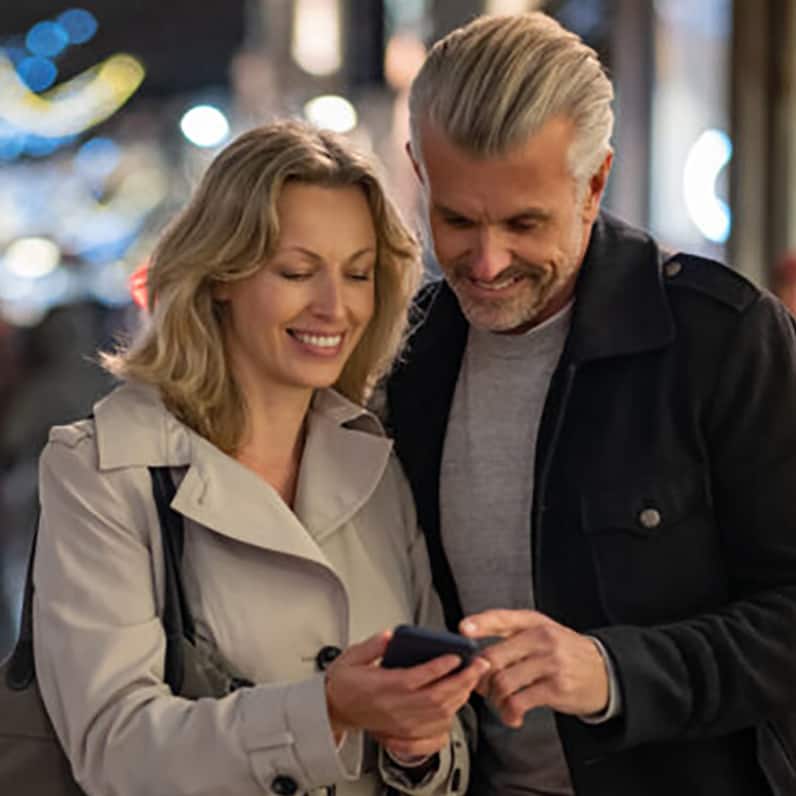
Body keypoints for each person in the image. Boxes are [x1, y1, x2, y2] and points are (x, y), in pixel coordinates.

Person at [384, 11, 796, 796]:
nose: (487, 260)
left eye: (524, 222)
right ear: (417, 173)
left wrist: (611, 672)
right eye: (457, 220)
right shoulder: (408, 354)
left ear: (595, 182)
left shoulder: (722, 340)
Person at [32, 120, 487, 796]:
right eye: (298, 272)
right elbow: (114, 750)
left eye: (358, 274)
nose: (335, 306)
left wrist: (419, 745)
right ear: (220, 275)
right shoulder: (103, 470)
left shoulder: (374, 458)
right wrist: (325, 710)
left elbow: (448, 742)